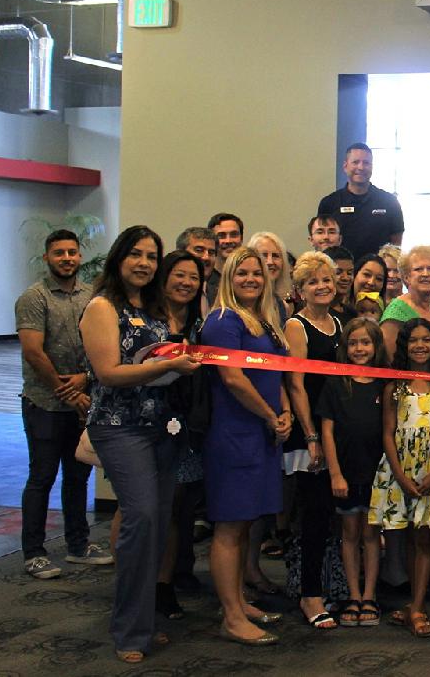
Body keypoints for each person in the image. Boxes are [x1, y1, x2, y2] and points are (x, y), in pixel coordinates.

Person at [78, 225, 202, 663]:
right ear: (119, 257)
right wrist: (165, 368)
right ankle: (129, 630)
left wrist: (176, 363)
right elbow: (108, 373)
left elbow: (154, 364)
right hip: (118, 427)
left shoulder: (152, 311)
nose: (145, 263)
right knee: (142, 518)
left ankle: (143, 620)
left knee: (156, 525)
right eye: (137, 254)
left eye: (152, 256)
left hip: (160, 427)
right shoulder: (101, 307)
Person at [201, 245, 291, 647]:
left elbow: (278, 373)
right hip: (235, 434)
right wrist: (271, 417)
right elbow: (234, 379)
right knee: (229, 526)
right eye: (242, 274)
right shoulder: (222, 321)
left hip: (261, 433)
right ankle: (231, 617)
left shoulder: (262, 319)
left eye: (257, 273)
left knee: (245, 525)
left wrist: (283, 412)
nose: (252, 279)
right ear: (228, 278)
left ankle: (238, 602)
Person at [17, 229, 106, 581]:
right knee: (41, 478)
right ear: (47, 258)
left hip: (83, 399)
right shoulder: (34, 297)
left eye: (72, 252)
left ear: (80, 256)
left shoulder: (90, 296)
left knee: (77, 476)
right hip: (44, 403)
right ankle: (34, 552)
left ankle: (78, 545)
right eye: (59, 253)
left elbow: (98, 344)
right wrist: (66, 390)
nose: (66, 258)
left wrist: (85, 379)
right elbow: (33, 352)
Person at [370, 318, 430, 638]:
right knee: (408, 535)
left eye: (427, 340)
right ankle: (413, 604)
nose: (420, 345)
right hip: (401, 470)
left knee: (424, 537)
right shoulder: (395, 385)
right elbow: (387, 432)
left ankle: (418, 607)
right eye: (413, 340)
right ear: (404, 345)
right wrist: (399, 474)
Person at [281, 251, 341, 630]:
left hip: (336, 431)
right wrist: (312, 435)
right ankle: (309, 594)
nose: (322, 286)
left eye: (326, 280)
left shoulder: (339, 322)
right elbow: (296, 385)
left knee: (333, 517)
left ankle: (330, 585)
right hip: (311, 436)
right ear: (300, 290)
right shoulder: (296, 327)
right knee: (314, 516)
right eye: (313, 282)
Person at [320, 317, 389, 628]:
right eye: (353, 343)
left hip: (378, 474)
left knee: (372, 534)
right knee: (349, 534)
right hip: (346, 473)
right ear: (344, 348)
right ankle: (353, 594)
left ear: (376, 346)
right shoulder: (336, 381)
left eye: (366, 343)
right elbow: (328, 432)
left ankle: (370, 594)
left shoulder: (385, 382)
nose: (359, 349)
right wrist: (335, 473)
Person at [154, 251, 207, 621]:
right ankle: (134, 583)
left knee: (176, 509)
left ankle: (162, 584)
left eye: (193, 277)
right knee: (137, 510)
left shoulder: (197, 323)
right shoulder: (144, 318)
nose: (186, 283)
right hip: (144, 419)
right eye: (179, 275)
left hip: (184, 420)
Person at [317, 142, 405, 258]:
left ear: (372, 166)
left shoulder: (390, 202)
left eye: (366, 163)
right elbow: (322, 242)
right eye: (355, 162)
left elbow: (395, 247)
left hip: (378, 273)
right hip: (340, 272)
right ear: (345, 166)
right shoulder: (329, 203)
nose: (361, 167)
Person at [381, 245, 430, 353]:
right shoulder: (396, 311)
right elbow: (389, 360)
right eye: (418, 269)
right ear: (406, 277)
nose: (425, 274)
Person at [246, 231, 293, 318]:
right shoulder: (244, 305)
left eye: (275, 256)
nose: (270, 262)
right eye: (264, 255)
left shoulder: (282, 306)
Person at [175, 227, 218, 314]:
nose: (206, 257)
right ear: (180, 253)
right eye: (199, 250)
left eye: (211, 252)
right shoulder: (166, 292)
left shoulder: (218, 294)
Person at [205, 212, 244, 303]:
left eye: (234, 235)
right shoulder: (205, 282)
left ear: (241, 238)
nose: (228, 240)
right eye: (221, 236)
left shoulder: (249, 280)